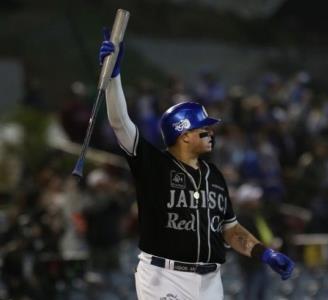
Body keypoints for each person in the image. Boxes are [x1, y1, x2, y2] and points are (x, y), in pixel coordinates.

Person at [99, 28, 294, 300]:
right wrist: (113, 79)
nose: (210, 133)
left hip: (211, 281)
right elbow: (120, 123)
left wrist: (265, 252)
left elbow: (230, 228)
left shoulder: (214, 175)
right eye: (203, 129)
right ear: (185, 134)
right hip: (164, 277)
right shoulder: (154, 165)